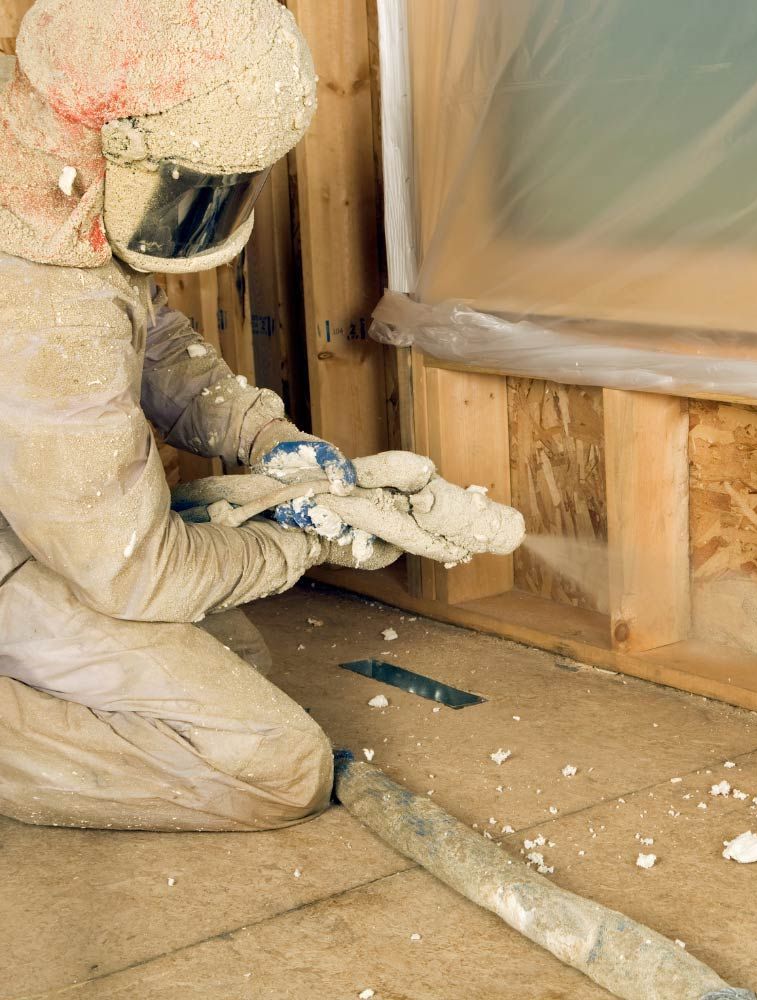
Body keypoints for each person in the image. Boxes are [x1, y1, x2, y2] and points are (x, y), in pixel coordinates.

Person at [0, 0, 401, 832]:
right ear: (128, 146)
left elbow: (147, 340)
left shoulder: (46, 169)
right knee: (279, 769)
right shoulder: (38, 304)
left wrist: (266, 438)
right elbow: (137, 573)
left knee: (238, 650)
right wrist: (310, 542)